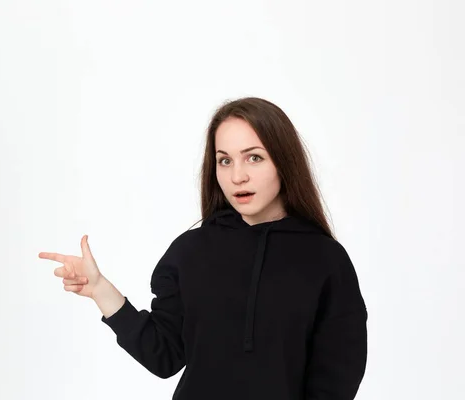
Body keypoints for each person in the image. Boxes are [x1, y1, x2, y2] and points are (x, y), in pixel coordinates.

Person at [39, 97, 368, 399]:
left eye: (254, 158)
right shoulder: (189, 252)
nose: (237, 176)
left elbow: (337, 376)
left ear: (283, 162)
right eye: (225, 161)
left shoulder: (325, 260)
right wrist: (100, 290)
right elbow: (164, 356)